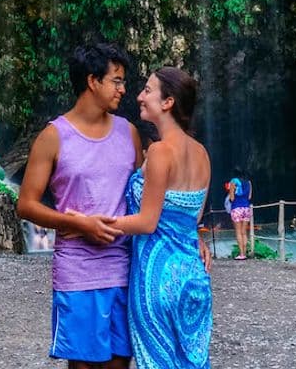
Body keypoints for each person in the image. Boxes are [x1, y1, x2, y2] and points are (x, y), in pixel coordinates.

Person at [17, 42, 143, 369]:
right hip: (77, 269)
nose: (123, 89)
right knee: (83, 365)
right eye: (116, 80)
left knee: (119, 362)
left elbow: (144, 198)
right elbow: (26, 205)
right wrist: (79, 224)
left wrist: (191, 236)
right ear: (92, 81)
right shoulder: (53, 137)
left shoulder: (128, 133)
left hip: (124, 266)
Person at [108, 67, 213, 369]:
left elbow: (146, 222)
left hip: (158, 280)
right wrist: (200, 242)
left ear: (167, 102)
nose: (139, 96)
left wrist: (96, 222)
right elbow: (191, 221)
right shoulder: (202, 153)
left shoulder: (159, 152)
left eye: (147, 90)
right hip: (194, 278)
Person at [228, 167, 253, 259]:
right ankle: (245, 254)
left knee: (238, 232)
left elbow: (232, 198)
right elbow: (249, 197)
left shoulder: (233, 181)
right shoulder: (249, 183)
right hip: (246, 208)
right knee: (244, 232)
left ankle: (241, 254)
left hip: (236, 208)